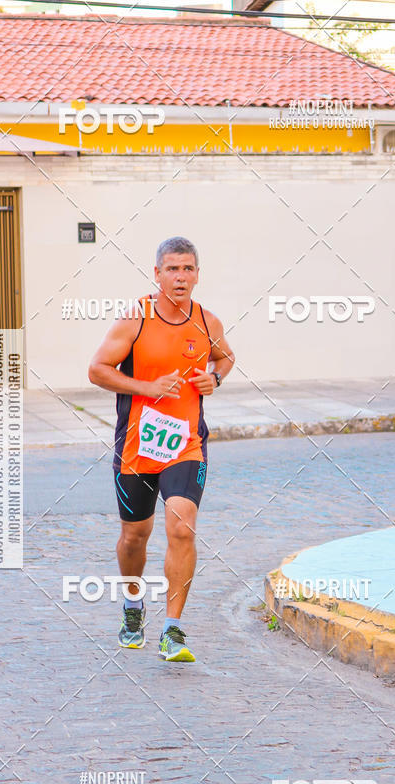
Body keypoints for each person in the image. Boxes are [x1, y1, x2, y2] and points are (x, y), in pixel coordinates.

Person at [89, 236, 235, 662]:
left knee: (181, 526)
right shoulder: (134, 318)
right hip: (136, 445)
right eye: (172, 269)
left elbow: (225, 357)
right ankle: (133, 606)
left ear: (197, 275)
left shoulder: (207, 321)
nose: (180, 277)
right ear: (157, 274)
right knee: (135, 535)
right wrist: (146, 387)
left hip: (186, 445)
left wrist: (217, 378)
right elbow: (97, 369)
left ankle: (173, 629)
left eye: (188, 269)